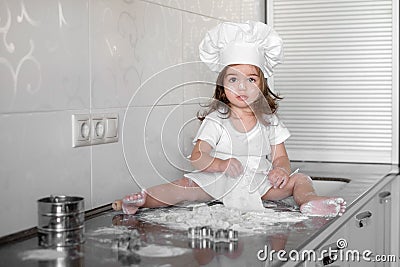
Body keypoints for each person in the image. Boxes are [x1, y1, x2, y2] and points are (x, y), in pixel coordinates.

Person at [113, 21, 346, 217]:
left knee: (300, 179)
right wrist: (221, 165)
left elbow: (281, 157)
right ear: (223, 88)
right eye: (233, 79)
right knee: (183, 187)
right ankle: (141, 201)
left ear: (262, 86)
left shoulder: (270, 122)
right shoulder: (217, 120)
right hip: (219, 180)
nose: (242, 87)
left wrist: (282, 171)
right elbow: (197, 157)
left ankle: (310, 202)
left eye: (251, 80)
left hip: (258, 184)